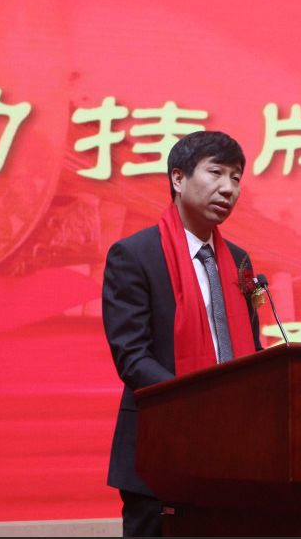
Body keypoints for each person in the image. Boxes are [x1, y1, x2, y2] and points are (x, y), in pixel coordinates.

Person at [101, 131, 263, 537]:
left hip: (234, 457)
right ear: (178, 178)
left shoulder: (239, 261)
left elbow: (252, 349)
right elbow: (132, 358)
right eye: (216, 173)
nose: (228, 188)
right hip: (159, 454)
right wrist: (198, 405)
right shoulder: (134, 256)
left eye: (236, 178)